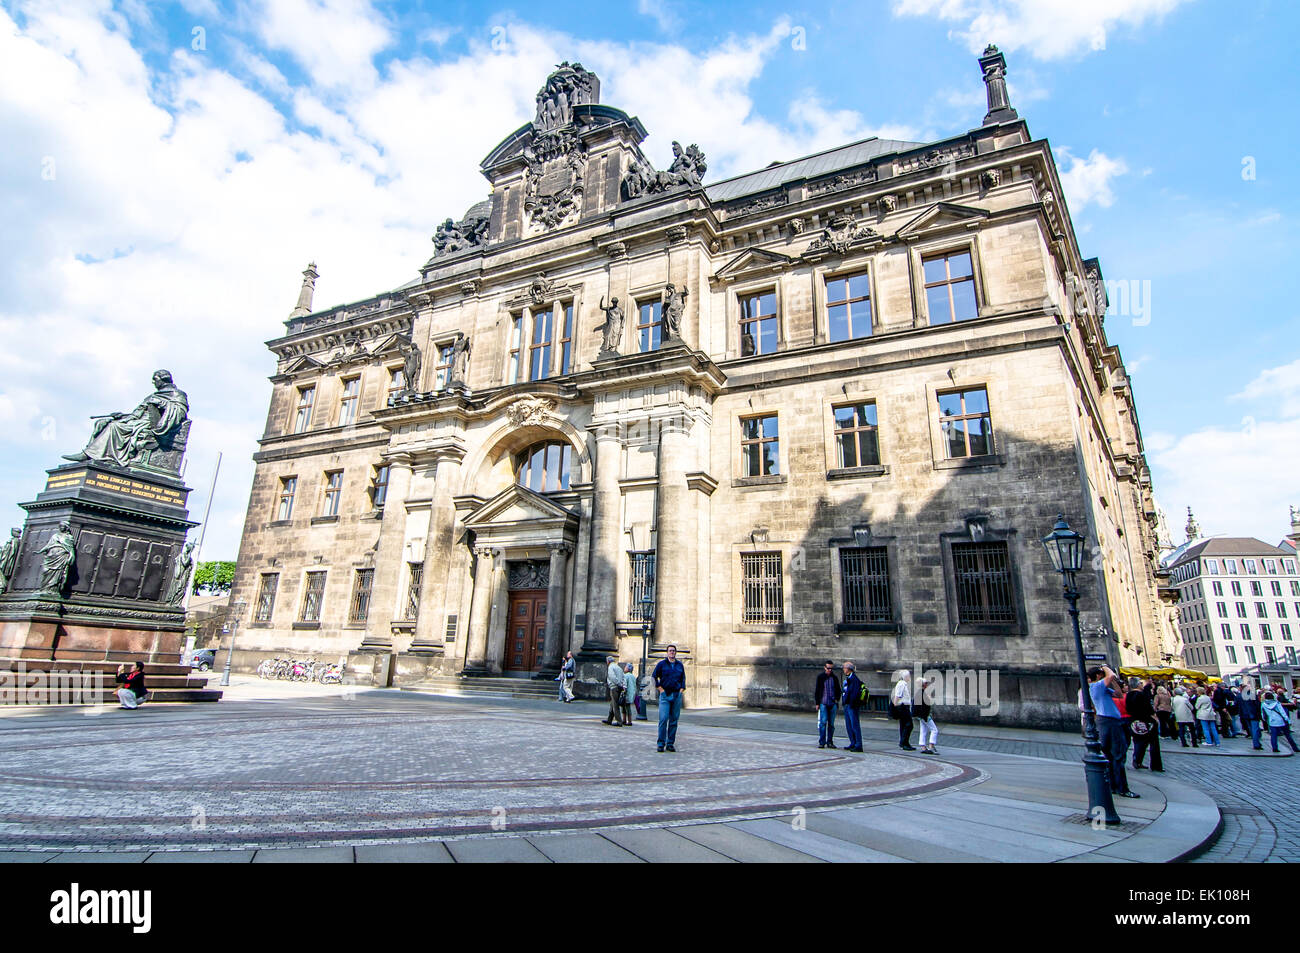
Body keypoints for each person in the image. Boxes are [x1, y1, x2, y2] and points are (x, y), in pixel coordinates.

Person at [1089, 666, 1138, 798]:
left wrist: (1115, 681)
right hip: (1109, 722)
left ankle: (1114, 786)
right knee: (1118, 754)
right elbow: (1110, 675)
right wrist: (1106, 668)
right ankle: (1122, 788)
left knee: (1111, 756)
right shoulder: (1097, 686)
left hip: (1107, 722)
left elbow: (1119, 694)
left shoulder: (1102, 688)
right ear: (1099, 675)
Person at [652, 644, 686, 752]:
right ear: (667, 653)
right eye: (670, 651)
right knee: (663, 719)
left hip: (676, 695)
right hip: (665, 695)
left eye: (673, 651)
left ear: (675, 653)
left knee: (674, 721)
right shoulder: (661, 664)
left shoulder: (680, 665)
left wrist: (681, 690)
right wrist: (660, 689)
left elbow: (683, 679)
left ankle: (670, 743)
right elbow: (654, 676)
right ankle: (661, 743)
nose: (672, 652)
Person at [1126, 677, 1162, 772]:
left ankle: (1137, 760)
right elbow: (1148, 708)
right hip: (1146, 721)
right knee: (1153, 743)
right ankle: (1155, 765)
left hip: (1134, 721)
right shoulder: (1141, 695)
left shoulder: (1128, 695)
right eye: (1141, 684)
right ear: (1138, 685)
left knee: (1138, 742)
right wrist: (1154, 717)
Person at [814, 660, 840, 749]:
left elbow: (838, 690)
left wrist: (837, 700)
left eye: (831, 668)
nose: (830, 670)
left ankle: (830, 742)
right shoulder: (821, 677)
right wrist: (817, 703)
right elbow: (817, 690)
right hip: (823, 702)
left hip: (832, 703)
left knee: (831, 724)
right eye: (828, 668)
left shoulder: (834, 678)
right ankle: (822, 742)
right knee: (823, 723)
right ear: (825, 668)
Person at [840, 661, 864, 752]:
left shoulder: (854, 679)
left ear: (848, 669)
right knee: (849, 725)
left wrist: (850, 702)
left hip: (852, 705)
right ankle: (853, 742)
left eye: (844, 668)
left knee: (854, 725)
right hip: (847, 704)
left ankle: (858, 744)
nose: (843, 669)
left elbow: (854, 693)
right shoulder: (848, 679)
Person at [891, 669, 915, 751]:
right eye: (909, 676)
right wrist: (895, 704)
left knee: (904, 725)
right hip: (903, 706)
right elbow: (898, 695)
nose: (910, 677)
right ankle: (904, 742)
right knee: (909, 725)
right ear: (906, 677)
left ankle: (904, 742)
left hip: (903, 706)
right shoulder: (902, 684)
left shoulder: (903, 684)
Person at [915, 675, 939, 755]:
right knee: (934, 730)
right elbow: (925, 706)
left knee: (923, 730)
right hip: (924, 715)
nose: (927, 685)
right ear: (923, 684)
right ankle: (931, 745)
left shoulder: (920, 692)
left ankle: (923, 746)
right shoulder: (922, 693)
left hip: (921, 715)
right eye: (926, 683)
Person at [1238, 678, 1263, 750]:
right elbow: (1258, 705)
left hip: (1245, 715)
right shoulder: (1252, 694)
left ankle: (1256, 742)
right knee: (1255, 729)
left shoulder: (1239, 696)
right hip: (1253, 714)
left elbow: (1239, 706)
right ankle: (1256, 744)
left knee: (1251, 729)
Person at [602, 656, 624, 726]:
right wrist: (621, 684)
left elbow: (612, 677)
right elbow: (623, 677)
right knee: (613, 703)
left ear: (608, 661)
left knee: (615, 705)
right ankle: (609, 719)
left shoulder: (611, 667)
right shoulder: (619, 667)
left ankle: (619, 721)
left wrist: (617, 683)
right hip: (619, 687)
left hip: (614, 687)